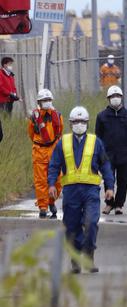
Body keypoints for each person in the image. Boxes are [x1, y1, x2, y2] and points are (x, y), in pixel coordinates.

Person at [47, 106, 115, 273]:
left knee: (91, 222)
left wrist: (110, 187)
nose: (79, 124)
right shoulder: (63, 142)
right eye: (76, 121)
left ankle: (89, 254)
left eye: (82, 121)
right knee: (71, 226)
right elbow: (54, 165)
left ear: (87, 123)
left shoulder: (96, 142)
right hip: (70, 193)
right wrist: (51, 185)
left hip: (91, 191)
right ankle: (76, 259)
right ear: (71, 124)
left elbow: (105, 165)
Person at [95, 86, 127, 215]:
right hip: (107, 155)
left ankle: (119, 204)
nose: (115, 99)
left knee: (123, 180)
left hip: (124, 153)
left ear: (121, 97)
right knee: (109, 179)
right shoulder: (102, 116)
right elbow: (98, 136)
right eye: (113, 97)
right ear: (108, 99)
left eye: (117, 96)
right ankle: (109, 203)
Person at [27, 88, 64, 218]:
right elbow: (31, 134)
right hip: (39, 151)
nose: (47, 102)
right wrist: (40, 144)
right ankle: (43, 207)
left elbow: (60, 132)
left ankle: (52, 201)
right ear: (39, 102)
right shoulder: (34, 117)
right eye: (44, 100)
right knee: (41, 181)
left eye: (48, 100)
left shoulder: (57, 116)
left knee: (57, 180)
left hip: (54, 150)